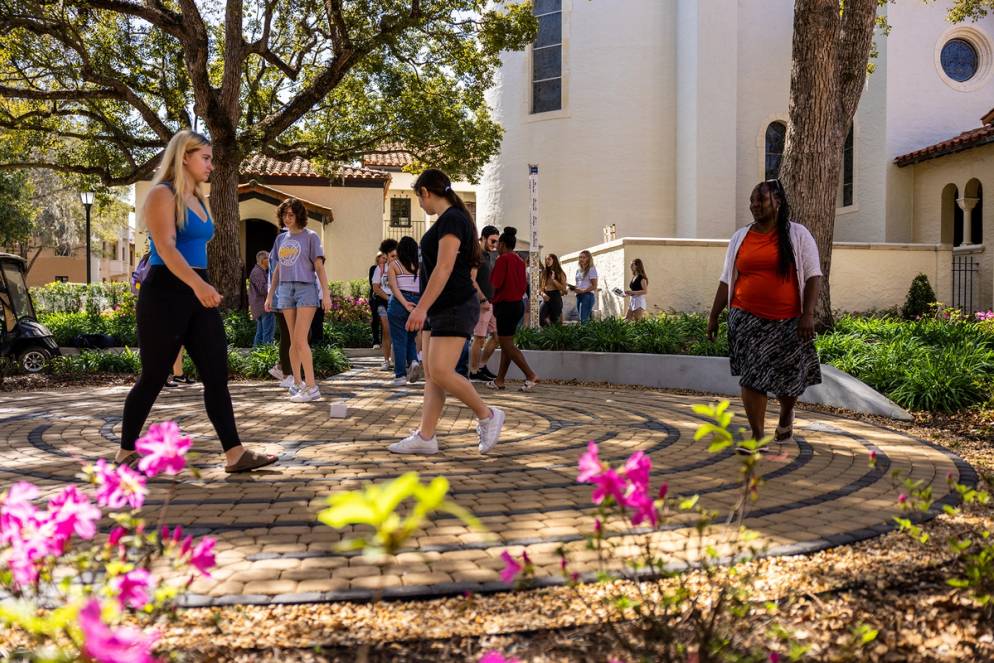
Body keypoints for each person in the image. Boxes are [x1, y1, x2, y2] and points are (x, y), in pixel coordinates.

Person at [116, 130, 276, 473]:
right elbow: (167, 249)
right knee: (154, 376)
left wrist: (202, 286)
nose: (212, 165)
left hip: (196, 285)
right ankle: (126, 451)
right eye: (205, 158)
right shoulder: (163, 194)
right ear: (184, 157)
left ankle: (235, 453)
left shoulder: (199, 198)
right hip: (165, 292)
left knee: (216, 373)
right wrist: (197, 286)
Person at [389, 169, 504, 455]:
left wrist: (421, 307)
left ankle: (488, 415)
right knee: (432, 374)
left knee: (440, 370)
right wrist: (426, 308)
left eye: (419, 198)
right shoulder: (448, 219)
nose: (421, 204)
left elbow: (444, 267)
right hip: (439, 307)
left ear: (426, 192)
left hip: (453, 304)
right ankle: (426, 437)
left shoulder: (453, 219)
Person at [707, 179, 822, 453]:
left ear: (778, 202)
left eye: (761, 200)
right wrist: (714, 315)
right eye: (752, 201)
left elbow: (813, 275)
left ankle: (785, 415)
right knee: (751, 375)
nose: (754, 205)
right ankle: (758, 436)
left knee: (788, 379)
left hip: (789, 320)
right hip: (746, 317)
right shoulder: (740, 237)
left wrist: (808, 315)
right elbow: (727, 279)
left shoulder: (798, 235)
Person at [264, 197, 332, 403]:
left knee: (301, 340)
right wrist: (270, 295)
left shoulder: (311, 237)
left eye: (291, 214)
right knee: (293, 341)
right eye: (284, 214)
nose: (287, 218)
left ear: (299, 215)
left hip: (305, 289)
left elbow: (319, 267)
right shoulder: (280, 240)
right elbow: (277, 269)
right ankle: (297, 383)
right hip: (285, 290)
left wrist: (326, 295)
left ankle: (312, 388)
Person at [487, 227, 540, 392]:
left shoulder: (503, 259)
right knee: (506, 343)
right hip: (517, 304)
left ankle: (531, 375)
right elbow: (524, 283)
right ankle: (500, 380)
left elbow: (495, 283)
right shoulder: (519, 260)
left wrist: (487, 298)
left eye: (498, 244)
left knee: (507, 344)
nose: (496, 247)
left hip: (505, 305)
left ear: (502, 244)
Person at [386, 236, 423, 385]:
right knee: (411, 338)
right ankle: (413, 361)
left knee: (399, 339)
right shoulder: (420, 266)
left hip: (399, 304)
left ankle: (400, 375)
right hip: (416, 303)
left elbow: (394, 288)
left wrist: (404, 303)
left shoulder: (394, 264)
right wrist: (416, 306)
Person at [469, 225, 500, 381]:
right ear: (483, 238)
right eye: (493, 241)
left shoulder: (488, 255)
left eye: (496, 241)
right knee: (479, 337)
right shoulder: (477, 255)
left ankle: (481, 366)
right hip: (482, 303)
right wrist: (482, 299)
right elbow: (472, 279)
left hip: (491, 303)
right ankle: (473, 372)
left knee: (497, 337)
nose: (495, 244)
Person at [372, 239, 398, 370]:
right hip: (383, 301)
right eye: (392, 255)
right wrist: (389, 298)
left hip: (398, 300)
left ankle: (397, 359)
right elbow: (376, 288)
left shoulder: (400, 267)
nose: (394, 258)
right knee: (386, 330)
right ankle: (386, 361)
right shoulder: (380, 268)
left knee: (397, 331)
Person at [249, 250, 275, 346]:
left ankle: (257, 355)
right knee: (267, 334)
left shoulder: (259, 271)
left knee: (260, 333)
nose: (270, 261)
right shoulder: (258, 272)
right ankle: (266, 355)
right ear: (263, 260)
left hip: (260, 306)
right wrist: (273, 284)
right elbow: (263, 290)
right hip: (264, 306)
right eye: (269, 258)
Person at [539, 253, 568, 327]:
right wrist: (543, 294)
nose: (547, 261)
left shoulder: (560, 273)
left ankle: (553, 336)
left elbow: (563, 289)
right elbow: (540, 288)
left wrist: (554, 280)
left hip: (555, 297)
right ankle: (548, 333)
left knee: (555, 321)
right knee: (541, 319)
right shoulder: (544, 273)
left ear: (554, 260)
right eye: (546, 260)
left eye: (549, 259)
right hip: (546, 297)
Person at [573, 250, 598, 322]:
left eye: (584, 257)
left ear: (588, 259)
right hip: (579, 296)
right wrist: (574, 288)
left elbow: (594, 286)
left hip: (587, 296)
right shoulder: (578, 270)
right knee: (582, 319)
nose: (581, 259)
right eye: (580, 257)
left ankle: (585, 333)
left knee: (583, 319)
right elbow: (579, 283)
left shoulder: (591, 269)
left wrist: (582, 290)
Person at [368, 253, 386, 348]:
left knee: (385, 320)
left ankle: (385, 341)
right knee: (376, 318)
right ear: (378, 258)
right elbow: (373, 284)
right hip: (375, 298)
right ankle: (376, 341)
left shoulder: (389, 268)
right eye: (383, 258)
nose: (385, 260)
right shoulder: (373, 268)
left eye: (386, 258)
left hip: (386, 297)